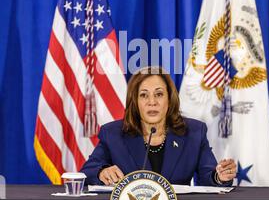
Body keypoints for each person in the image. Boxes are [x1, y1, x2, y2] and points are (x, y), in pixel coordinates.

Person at [80, 66, 237, 186]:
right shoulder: (114, 134)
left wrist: (220, 176)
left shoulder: (193, 132)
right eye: (143, 95)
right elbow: (88, 172)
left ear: (170, 100)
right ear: (134, 102)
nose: (152, 102)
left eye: (159, 94)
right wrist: (101, 172)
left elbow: (208, 175)